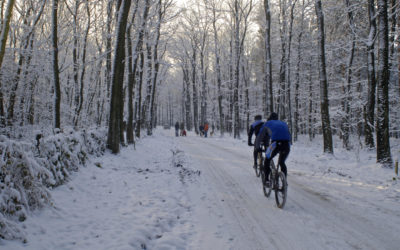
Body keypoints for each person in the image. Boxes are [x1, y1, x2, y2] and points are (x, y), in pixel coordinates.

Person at [255, 112, 291, 186]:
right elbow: (289, 135)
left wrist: (257, 147)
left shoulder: (267, 123)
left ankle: (267, 180)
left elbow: (260, 136)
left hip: (276, 144)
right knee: (282, 162)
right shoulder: (283, 123)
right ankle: (284, 181)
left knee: (267, 159)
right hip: (286, 144)